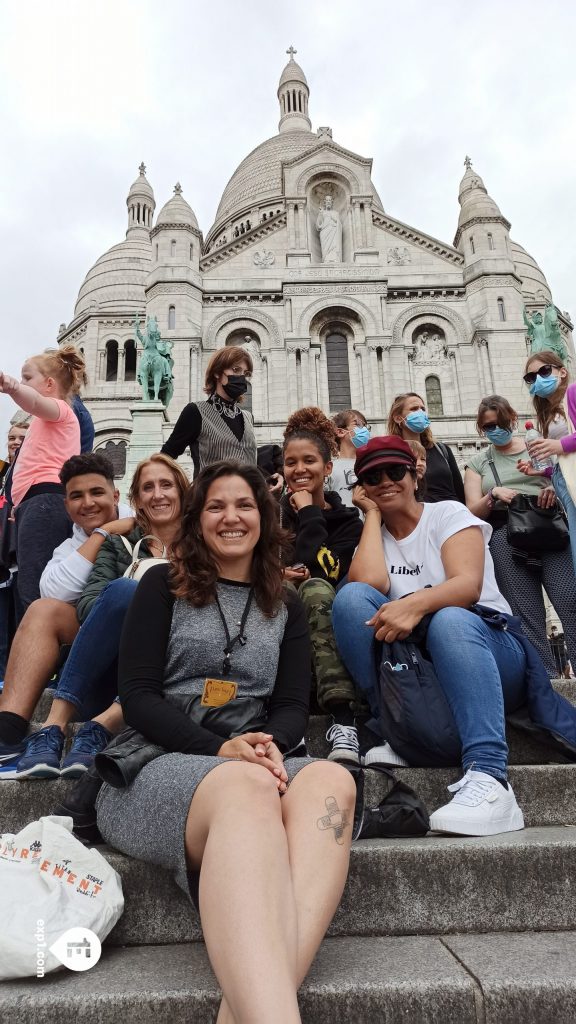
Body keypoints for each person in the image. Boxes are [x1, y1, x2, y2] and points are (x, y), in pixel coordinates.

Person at [96, 461, 355, 1023]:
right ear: (197, 518)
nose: (231, 517)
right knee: (246, 785)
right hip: (157, 760)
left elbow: (292, 706)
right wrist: (220, 750)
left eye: (245, 505)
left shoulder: (286, 604)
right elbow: (137, 696)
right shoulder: (161, 585)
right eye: (216, 506)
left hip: (253, 755)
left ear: (264, 517)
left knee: (332, 780)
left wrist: (267, 743)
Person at [332, 436, 531, 836]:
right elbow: (364, 587)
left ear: (414, 474)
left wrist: (415, 604)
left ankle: (491, 777)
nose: (385, 482)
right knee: (350, 599)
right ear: (361, 487)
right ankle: (398, 730)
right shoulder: (372, 538)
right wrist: (371, 515)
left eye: (395, 471)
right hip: (420, 675)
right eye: (372, 477)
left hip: (488, 652)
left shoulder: (448, 513)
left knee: (450, 619)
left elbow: (467, 586)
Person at [14, 454, 188, 779]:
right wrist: (138, 606)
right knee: (123, 591)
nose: (158, 494)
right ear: (136, 499)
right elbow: (87, 605)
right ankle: (52, 728)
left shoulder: (204, 545)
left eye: (167, 485)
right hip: (113, 669)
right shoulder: (117, 544)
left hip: (169, 674)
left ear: (182, 491)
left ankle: (100, 727)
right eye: (148, 487)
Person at [0, 453, 133, 777]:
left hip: (147, 659)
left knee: (123, 594)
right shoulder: (69, 548)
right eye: (77, 496)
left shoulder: (145, 523)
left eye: (96, 492)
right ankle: (8, 733)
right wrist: (103, 533)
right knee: (43, 610)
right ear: (66, 505)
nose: (88, 503)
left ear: (116, 495)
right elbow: (54, 593)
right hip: (95, 668)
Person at [464, 395, 576, 678]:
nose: (495, 429)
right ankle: (547, 681)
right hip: (507, 537)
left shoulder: (540, 447)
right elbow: (471, 511)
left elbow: (566, 478)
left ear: (513, 419)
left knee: (569, 600)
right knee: (525, 613)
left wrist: (552, 488)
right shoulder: (478, 463)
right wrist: (492, 495)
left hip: (552, 531)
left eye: (500, 423)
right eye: (488, 426)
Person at [281, 408, 364, 763]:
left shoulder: (347, 522)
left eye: (309, 461)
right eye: (291, 462)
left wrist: (309, 515)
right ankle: (284, 717)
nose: (299, 469)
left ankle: (343, 718)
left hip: (322, 605)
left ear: (328, 467)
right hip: (280, 610)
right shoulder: (270, 515)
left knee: (315, 588)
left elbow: (324, 570)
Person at [0, 345, 86, 615]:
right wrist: (19, 504)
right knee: (30, 583)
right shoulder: (45, 421)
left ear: (49, 384)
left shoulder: (60, 410)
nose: (23, 382)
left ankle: (38, 637)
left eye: (28, 377)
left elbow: (34, 402)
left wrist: (12, 386)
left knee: (33, 588)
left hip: (45, 502)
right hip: (36, 503)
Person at [519, 350, 576, 577]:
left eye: (544, 371)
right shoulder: (547, 414)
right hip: (565, 484)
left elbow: (563, 448)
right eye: (530, 377)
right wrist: (543, 472)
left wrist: (559, 445)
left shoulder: (572, 392)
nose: (538, 379)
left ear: (562, 372)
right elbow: (566, 462)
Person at [162, 346, 256, 475]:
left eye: (246, 374)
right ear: (217, 372)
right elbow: (165, 457)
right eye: (236, 370)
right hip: (209, 488)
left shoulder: (248, 417)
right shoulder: (196, 412)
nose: (241, 377)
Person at [387, 392, 465, 502]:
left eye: (423, 409)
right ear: (398, 418)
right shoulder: (392, 454)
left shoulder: (442, 450)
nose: (420, 412)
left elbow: (459, 490)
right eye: (414, 409)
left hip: (451, 509)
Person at [0, 415, 31, 676]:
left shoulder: (32, 473)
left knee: (19, 620)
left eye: (22, 438)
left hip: (21, 558)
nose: (15, 442)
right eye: (12, 438)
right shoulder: (2, 470)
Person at [328, 409, 370, 508]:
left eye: (365, 426)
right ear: (340, 432)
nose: (364, 430)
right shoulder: (330, 469)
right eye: (358, 425)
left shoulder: (370, 465)